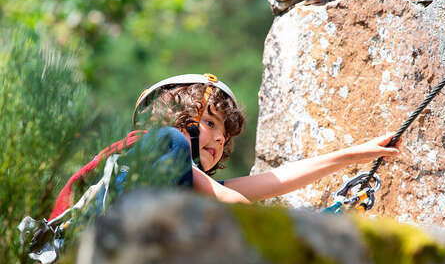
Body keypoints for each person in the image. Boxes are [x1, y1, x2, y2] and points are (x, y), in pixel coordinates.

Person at [131, 73, 402, 205]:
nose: (218, 139)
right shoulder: (164, 141)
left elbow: (278, 180)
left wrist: (357, 154)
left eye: (224, 136)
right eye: (210, 123)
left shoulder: (197, 187)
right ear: (171, 118)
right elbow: (234, 201)